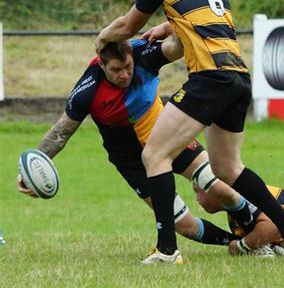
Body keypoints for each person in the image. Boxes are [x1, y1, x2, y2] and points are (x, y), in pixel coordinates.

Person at [95, 0, 284, 264]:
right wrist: (168, 24)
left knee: (154, 155)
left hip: (209, 77)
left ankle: (167, 250)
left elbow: (127, 26)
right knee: (228, 168)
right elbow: (205, 19)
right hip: (239, 76)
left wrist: (103, 38)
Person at [16, 39, 260, 264]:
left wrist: (169, 26)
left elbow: (179, 44)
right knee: (183, 225)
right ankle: (236, 244)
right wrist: (32, 166)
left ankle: (260, 237)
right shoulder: (86, 92)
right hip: (128, 157)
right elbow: (60, 133)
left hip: (164, 133)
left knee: (220, 187)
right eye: (116, 70)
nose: (125, 75)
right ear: (101, 65)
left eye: (128, 67)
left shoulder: (144, 53)